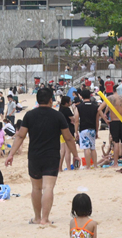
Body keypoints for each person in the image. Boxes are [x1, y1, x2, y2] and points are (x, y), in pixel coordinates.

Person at [6, 87, 78, 226]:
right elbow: (68, 137)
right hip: (52, 156)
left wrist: (11, 154)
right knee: (48, 187)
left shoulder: (29, 115)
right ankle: (45, 219)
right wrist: (75, 155)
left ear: (38, 100)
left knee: (36, 188)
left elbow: (20, 136)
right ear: (51, 100)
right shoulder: (58, 116)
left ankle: (37, 218)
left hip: (34, 156)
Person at [75, 90, 102, 169]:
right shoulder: (95, 106)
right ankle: (95, 165)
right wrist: (97, 131)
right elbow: (97, 120)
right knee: (93, 148)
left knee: (86, 148)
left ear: (82, 96)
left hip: (84, 128)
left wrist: (76, 131)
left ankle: (88, 166)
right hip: (92, 128)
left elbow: (76, 120)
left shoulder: (79, 107)